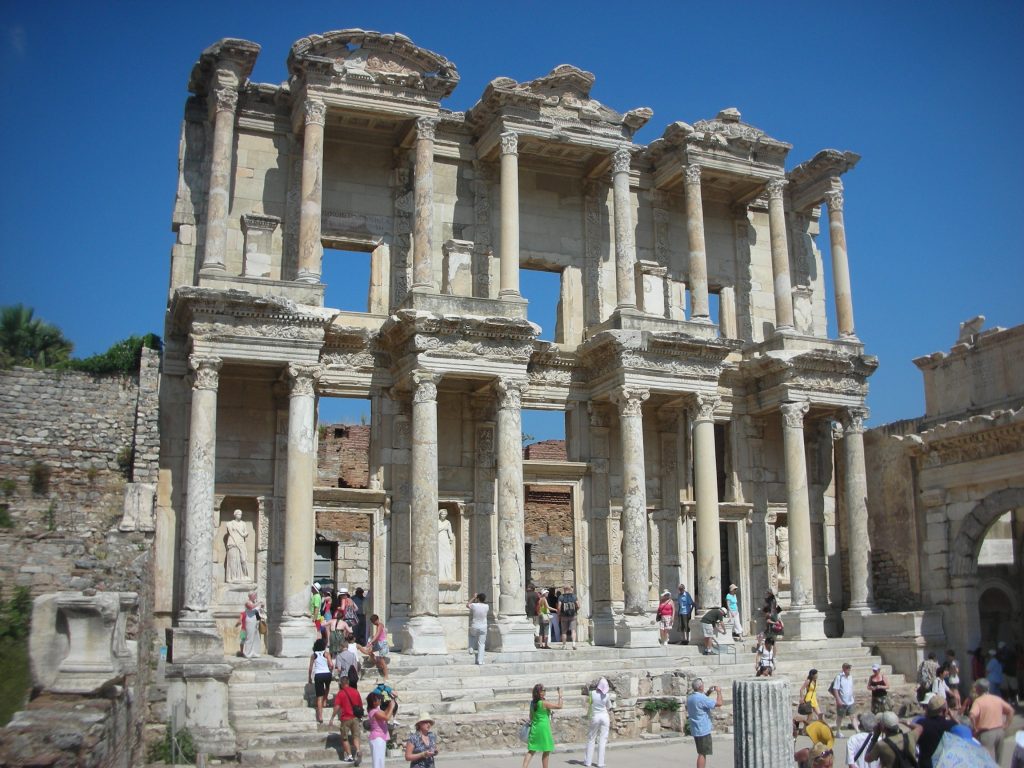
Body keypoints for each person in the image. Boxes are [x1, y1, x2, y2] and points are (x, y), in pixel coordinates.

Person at [968, 677, 1013, 762]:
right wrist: (1006, 724)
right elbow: (1011, 711)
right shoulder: (997, 698)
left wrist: (974, 728)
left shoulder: (978, 701)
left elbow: (972, 715)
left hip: (986, 733)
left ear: (978, 689)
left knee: (985, 759)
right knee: (999, 759)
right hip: (1000, 730)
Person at [911, 694, 957, 768]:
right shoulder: (950, 725)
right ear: (945, 710)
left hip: (925, 763)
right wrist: (952, 717)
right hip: (943, 763)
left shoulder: (920, 724)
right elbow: (964, 732)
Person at [523, 683, 562, 768]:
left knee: (531, 750)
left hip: (535, 727)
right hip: (544, 728)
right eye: (543, 690)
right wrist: (560, 695)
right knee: (546, 749)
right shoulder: (543, 703)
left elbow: (531, 716)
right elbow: (559, 706)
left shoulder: (532, 703)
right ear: (539, 692)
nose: (545, 692)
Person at [686, 678, 722, 768]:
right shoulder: (701, 698)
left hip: (695, 728)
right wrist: (719, 692)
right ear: (700, 687)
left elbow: (702, 700)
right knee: (702, 753)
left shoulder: (691, 697)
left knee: (701, 752)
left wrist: (709, 692)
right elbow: (719, 703)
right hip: (703, 729)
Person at [329, 672, 363, 765]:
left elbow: (337, 707)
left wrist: (332, 718)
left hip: (345, 718)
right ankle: (358, 751)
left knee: (344, 738)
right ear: (348, 682)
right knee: (356, 736)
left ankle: (349, 756)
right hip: (355, 718)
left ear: (341, 683)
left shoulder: (340, 693)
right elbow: (360, 704)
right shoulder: (355, 691)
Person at [583, 677, 613, 768]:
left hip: (595, 716)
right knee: (602, 740)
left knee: (591, 738)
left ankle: (588, 762)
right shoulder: (607, 695)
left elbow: (589, 702)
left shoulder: (592, 693)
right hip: (604, 717)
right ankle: (600, 763)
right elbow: (609, 706)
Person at [307, 638, 334, 724]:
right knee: (327, 687)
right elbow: (331, 664)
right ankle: (325, 701)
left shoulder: (313, 655)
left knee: (319, 697)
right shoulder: (326, 654)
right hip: (326, 674)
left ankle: (320, 717)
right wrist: (331, 670)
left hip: (318, 675)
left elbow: (310, 668)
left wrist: (309, 678)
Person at [365, 690, 394, 768]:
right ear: (374, 702)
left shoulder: (376, 710)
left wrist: (390, 704)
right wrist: (392, 706)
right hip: (377, 739)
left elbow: (385, 713)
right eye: (378, 699)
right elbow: (387, 717)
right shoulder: (374, 712)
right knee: (378, 763)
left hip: (380, 738)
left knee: (380, 762)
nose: (380, 700)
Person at [358, 614, 389, 682]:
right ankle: (377, 663)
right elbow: (377, 636)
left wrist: (371, 642)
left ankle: (386, 676)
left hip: (383, 644)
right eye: (372, 622)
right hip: (379, 643)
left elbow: (377, 635)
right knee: (369, 652)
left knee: (382, 661)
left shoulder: (380, 625)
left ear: (377, 620)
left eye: (373, 622)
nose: (373, 623)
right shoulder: (378, 625)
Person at [224, 509, 250, 583]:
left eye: (241, 514)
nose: (240, 515)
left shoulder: (243, 523)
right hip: (233, 542)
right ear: (235, 514)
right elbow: (230, 532)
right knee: (233, 560)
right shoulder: (230, 523)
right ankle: (233, 577)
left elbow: (245, 533)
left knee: (243, 560)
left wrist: (244, 533)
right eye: (238, 514)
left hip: (241, 543)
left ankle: (244, 575)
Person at [831, 663, 856, 736]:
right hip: (842, 701)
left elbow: (850, 688)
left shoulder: (850, 677)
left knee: (853, 716)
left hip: (850, 701)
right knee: (840, 717)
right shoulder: (839, 677)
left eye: (849, 668)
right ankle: (838, 731)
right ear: (844, 669)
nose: (849, 670)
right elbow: (835, 689)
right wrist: (838, 699)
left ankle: (857, 730)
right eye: (847, 668)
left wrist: (853, 696)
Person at [239, 591, 262, 659]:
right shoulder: (247, 602)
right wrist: (258, 604)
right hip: (250, 621)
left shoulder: (255, 603)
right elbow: (251, 607)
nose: (256, 597)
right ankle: (248, 653)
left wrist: (259, 620)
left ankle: (255, 653)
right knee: (250, 637)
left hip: (255, 621)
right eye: (254, 595)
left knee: (256, 637)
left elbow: (256, 612)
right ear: (250, 596)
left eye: (256, 595)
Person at [467, 592, 489, 664]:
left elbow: (467, 605)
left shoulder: (474, 605)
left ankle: (471, 649)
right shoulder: (487, 606)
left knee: (472, 636)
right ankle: (480, 661)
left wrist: (473, 598)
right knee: (481, 644)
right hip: (483, 627)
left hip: (475, 625)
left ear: (478, 598)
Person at [558, 585, 579, 650]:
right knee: (573, 630)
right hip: (573, 616)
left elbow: (559, 607)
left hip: (564, 616)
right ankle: (573, 644)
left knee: (564, 631)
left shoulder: (561, 597)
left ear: (564, 589)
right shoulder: (574, 596)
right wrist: (575, 611)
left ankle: (564, 645)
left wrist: (559, 614)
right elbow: (578, 605)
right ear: (570, 589)